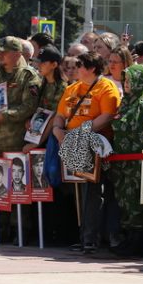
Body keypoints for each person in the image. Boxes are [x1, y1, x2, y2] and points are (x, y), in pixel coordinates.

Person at [52, 50, 120, 254]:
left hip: (94, 144)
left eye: (79, 65)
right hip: (71, 142)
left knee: (92, 191)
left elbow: (107, 116)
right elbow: (60, 115)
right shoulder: (72, 88)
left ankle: (91, 238)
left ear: (91, 68)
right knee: (78, 190)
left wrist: (80, 133)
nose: (74, 69)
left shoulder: (106, 87)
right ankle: (83, 236)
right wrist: (57, 130)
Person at [110, 64, 143, 256]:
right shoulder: (125, 102)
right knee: (124, 199)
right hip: (121, 160)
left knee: (135, 199)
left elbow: (141, 132)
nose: (126, 84)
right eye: (125, 80)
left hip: (135, 161)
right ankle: (128, 236)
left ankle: (138, 239)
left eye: (130, 80)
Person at [0, 36, 41, 158]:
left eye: (4, 52)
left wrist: (5, 115)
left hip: (18, 147)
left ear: (18, 54)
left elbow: (29, 106)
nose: (0, 55)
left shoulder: (28, 77)